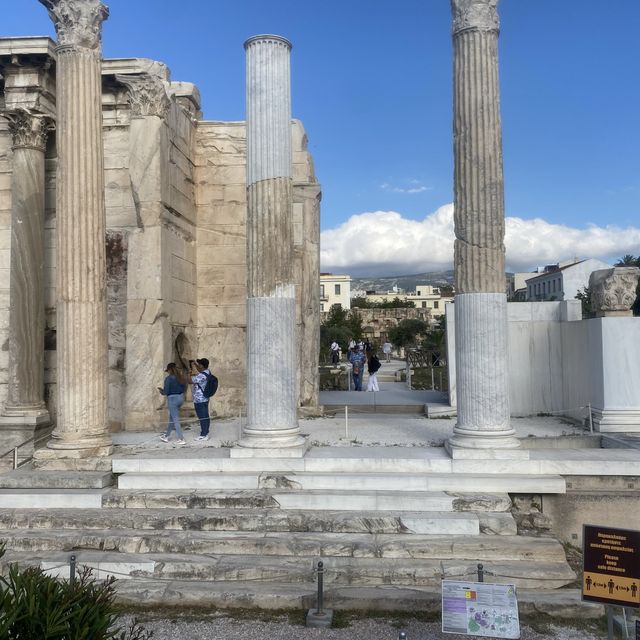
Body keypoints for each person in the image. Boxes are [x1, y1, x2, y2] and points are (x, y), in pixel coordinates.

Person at [158, 362, 187, 444]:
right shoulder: (181, 378)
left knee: (175, 419)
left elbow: (166, 392)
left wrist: (161, 391)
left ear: (169, 370)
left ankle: (181, 439)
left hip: (172, 399)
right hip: (180, 398)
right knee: (172, 418)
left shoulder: (168, 379)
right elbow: (184, 388)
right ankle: (166, 436)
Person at [190, 357, 212, 441]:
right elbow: (200, 370)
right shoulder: (207, 372)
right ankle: (206, 432)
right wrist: (195, 364)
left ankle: (203, 435)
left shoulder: (201, 375)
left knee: (202, 416)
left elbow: (190, 381)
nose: (198, 366)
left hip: (199, 399)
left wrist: (189, 371)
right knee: (205, 416)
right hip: (205, 398)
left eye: (199, 365)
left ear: (202, 366)